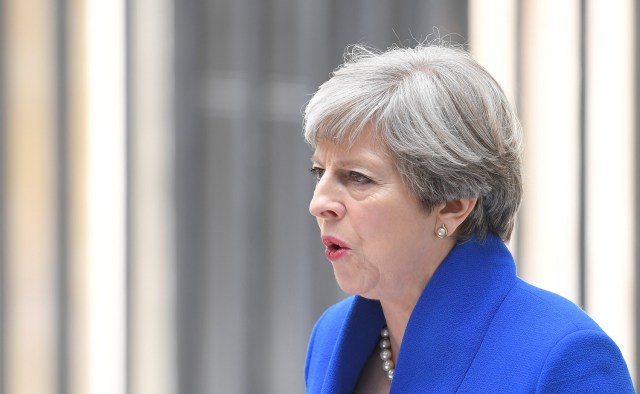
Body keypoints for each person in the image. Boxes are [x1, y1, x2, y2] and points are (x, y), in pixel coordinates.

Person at [302, 43, 634, 393]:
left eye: (358, 177)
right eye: (318, 172)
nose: (319, 203)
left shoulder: (564, 357)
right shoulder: (331, 336)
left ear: (453, 204)